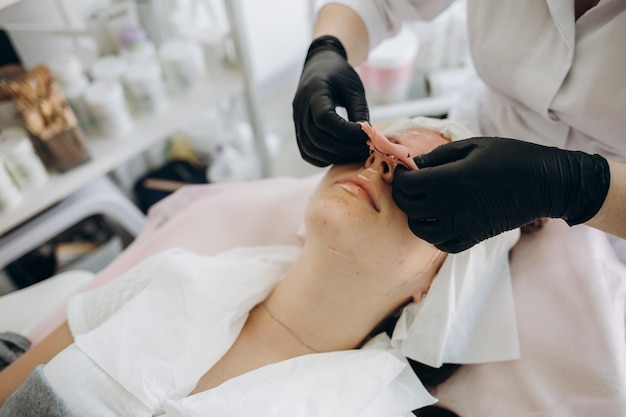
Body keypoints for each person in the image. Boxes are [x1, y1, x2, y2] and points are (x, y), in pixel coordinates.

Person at [0, 126, 482, 416]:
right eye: (378, 141)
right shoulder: (172, 273)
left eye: (423, 183)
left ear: (435, 282)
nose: (383, 162)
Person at [292, 0, 626, 254]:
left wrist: (579, 188)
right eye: (395, 146)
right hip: (480, 124)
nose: (378, 162)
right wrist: (329, 47)